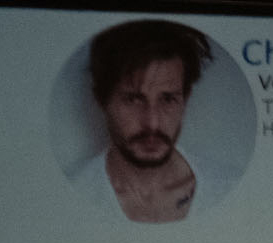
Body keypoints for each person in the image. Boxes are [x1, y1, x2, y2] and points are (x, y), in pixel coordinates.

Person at [73, 19, 232, 223]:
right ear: (102, 100)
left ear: (185, 99)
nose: (152, 123)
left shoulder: (225, 186)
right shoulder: (73, 194)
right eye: (133, 100)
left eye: (168, 99)